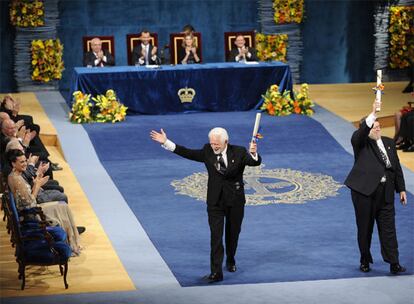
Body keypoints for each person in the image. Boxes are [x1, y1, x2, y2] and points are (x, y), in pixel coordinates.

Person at [150, 127, 261, 283]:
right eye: (212, 143)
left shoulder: (240, 152)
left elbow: (254, 163)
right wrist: (166, 142)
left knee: (232, 234)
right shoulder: (207, 151)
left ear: (226, 142)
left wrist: (254, 153)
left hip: (235, 201)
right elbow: (188, 152)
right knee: (216, 237)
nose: (214, 147)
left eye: (217, 144)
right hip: (215, 202)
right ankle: (216, 272)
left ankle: (230, 259)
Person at [344, 99, 407, 275]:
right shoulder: (360, 143)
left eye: (379, 126)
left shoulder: (389, 142)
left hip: (386, 194)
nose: (378, 128)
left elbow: (397, 167)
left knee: (389, 230)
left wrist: (401, 189)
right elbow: (362, 132)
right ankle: (365, 259)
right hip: (364, 193)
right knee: (365, 229)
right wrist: (373, 113)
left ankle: (394, 263)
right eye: (374, 126)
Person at [7, 149, 82, 255]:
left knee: (63, 205)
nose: (25, 164)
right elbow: (30, 203)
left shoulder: (14, 175)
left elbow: (28, 199)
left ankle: (71, 239)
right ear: (13, 163)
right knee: (62, 206)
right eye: (22, 162)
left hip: (31, 209)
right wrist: (37, 185)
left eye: (25, 161)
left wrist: (37, 180)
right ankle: (70, 243)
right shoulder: (17, 180)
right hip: (32, 215)